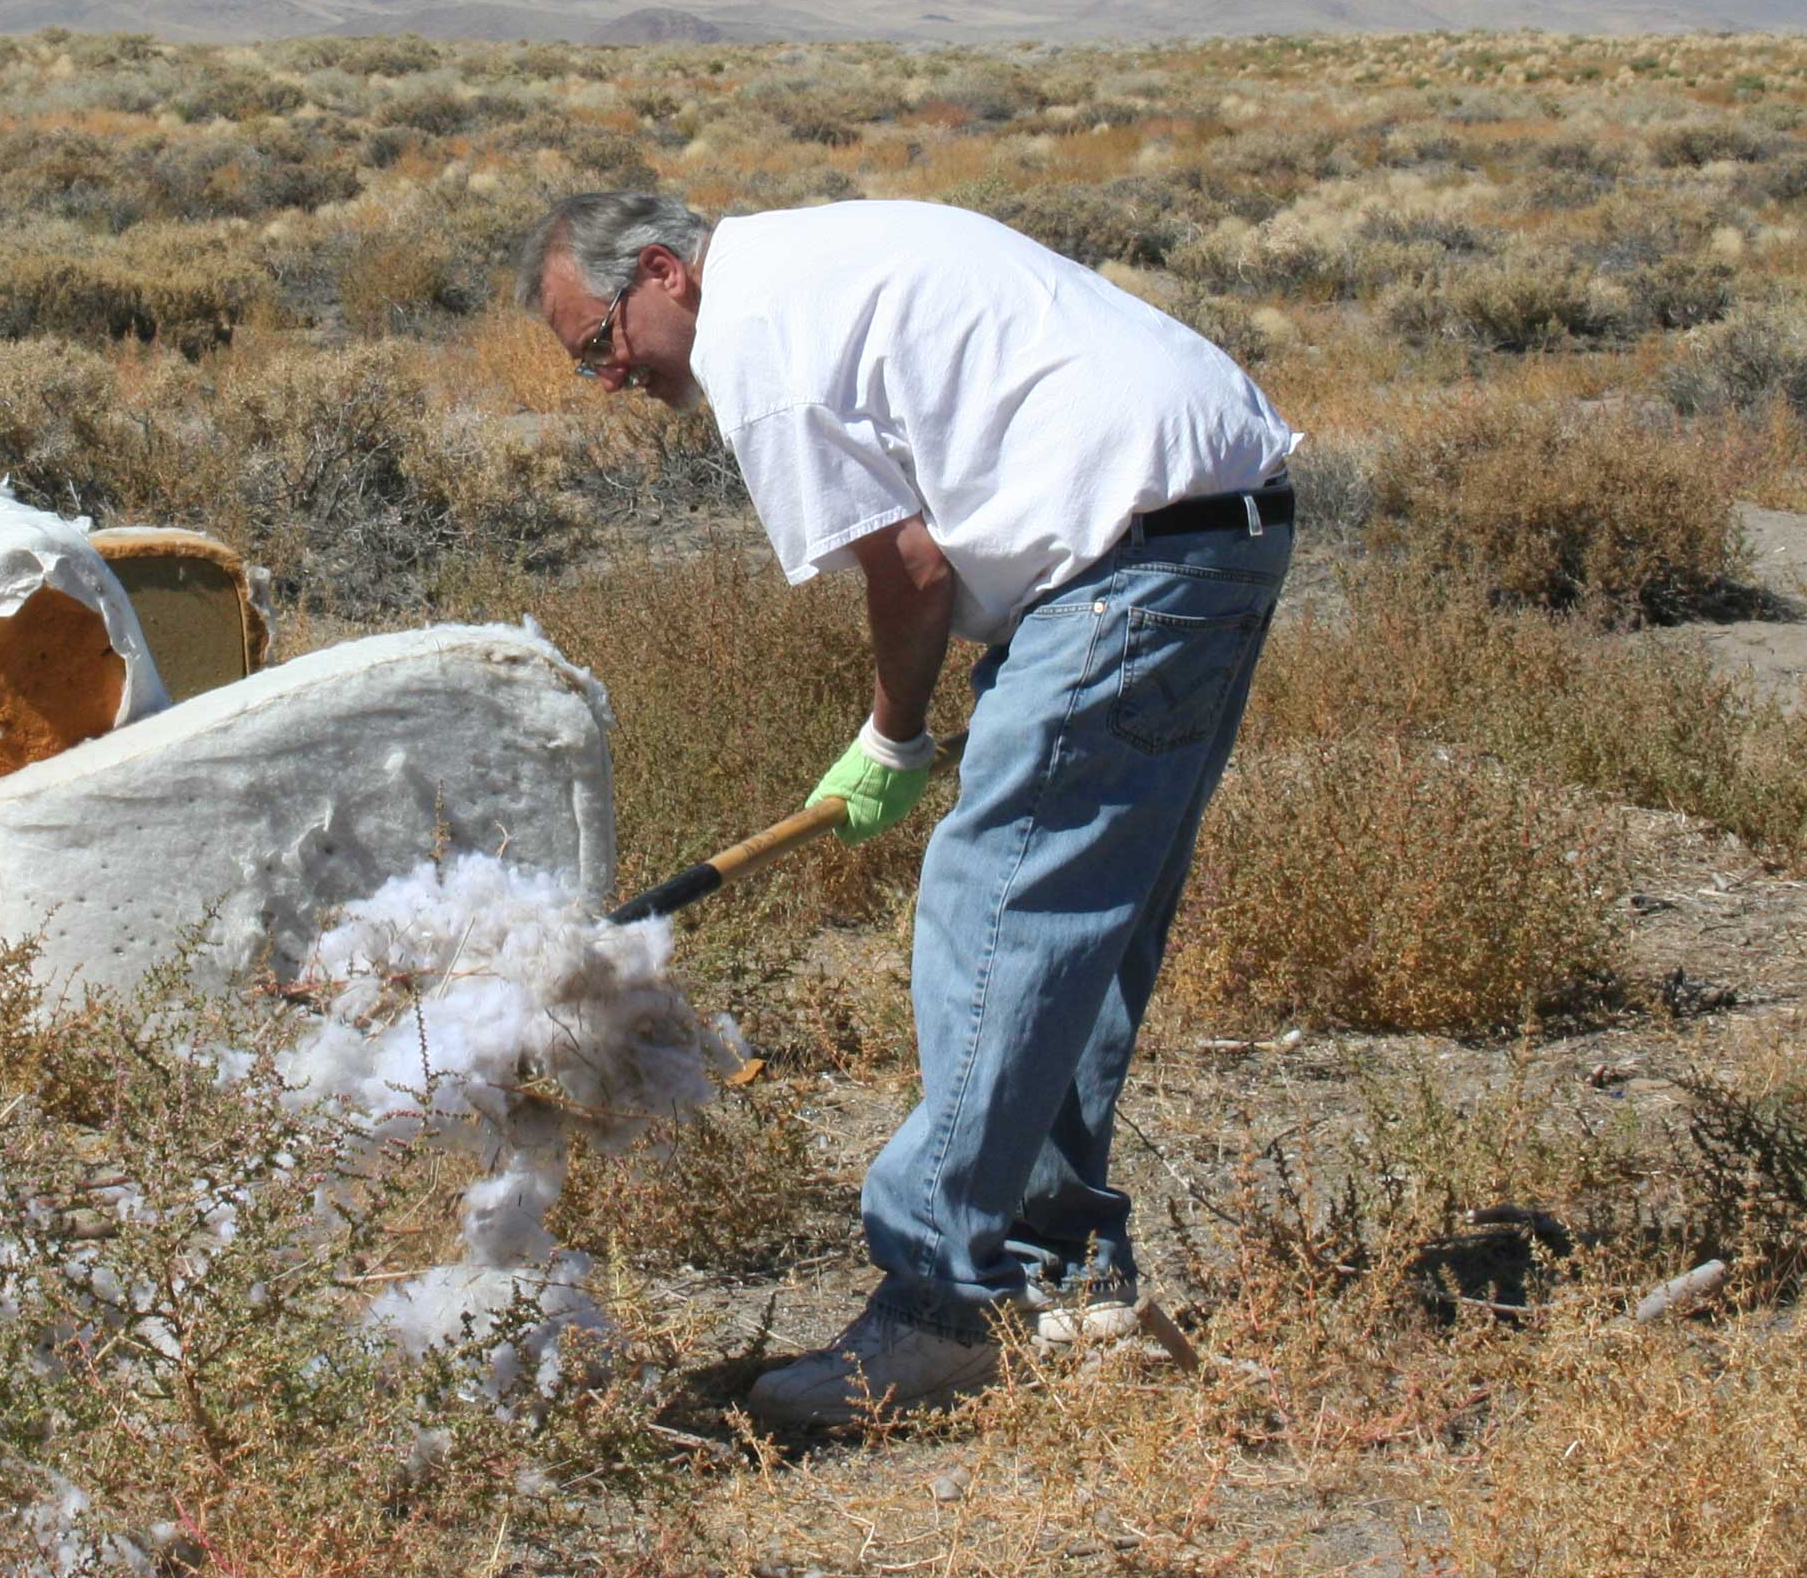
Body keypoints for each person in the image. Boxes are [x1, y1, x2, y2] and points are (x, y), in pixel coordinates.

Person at [513, 190, 1300, 1428]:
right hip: (1217, 530)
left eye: (601, 344)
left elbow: (913, 568)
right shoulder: (809, 262)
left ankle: (937, 1308)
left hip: (1127, 557)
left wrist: (890, 735)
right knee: (1078, 930)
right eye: (587, 366)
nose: (611, 379)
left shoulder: (758, 345)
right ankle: (1064, 1275)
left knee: (994, 916)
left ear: (661, 272)